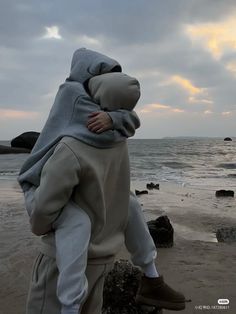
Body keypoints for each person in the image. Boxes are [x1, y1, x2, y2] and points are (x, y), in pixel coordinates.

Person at [19, 48, 186, 314]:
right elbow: (127, 118)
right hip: (95, 254)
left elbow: (41, 221)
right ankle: (150, 275)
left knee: (123, 205)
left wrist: (115, 117)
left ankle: (149, 278)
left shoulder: (102, 133)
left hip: (63, 259)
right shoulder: (77, 100)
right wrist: (117, 118)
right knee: (82, 219)